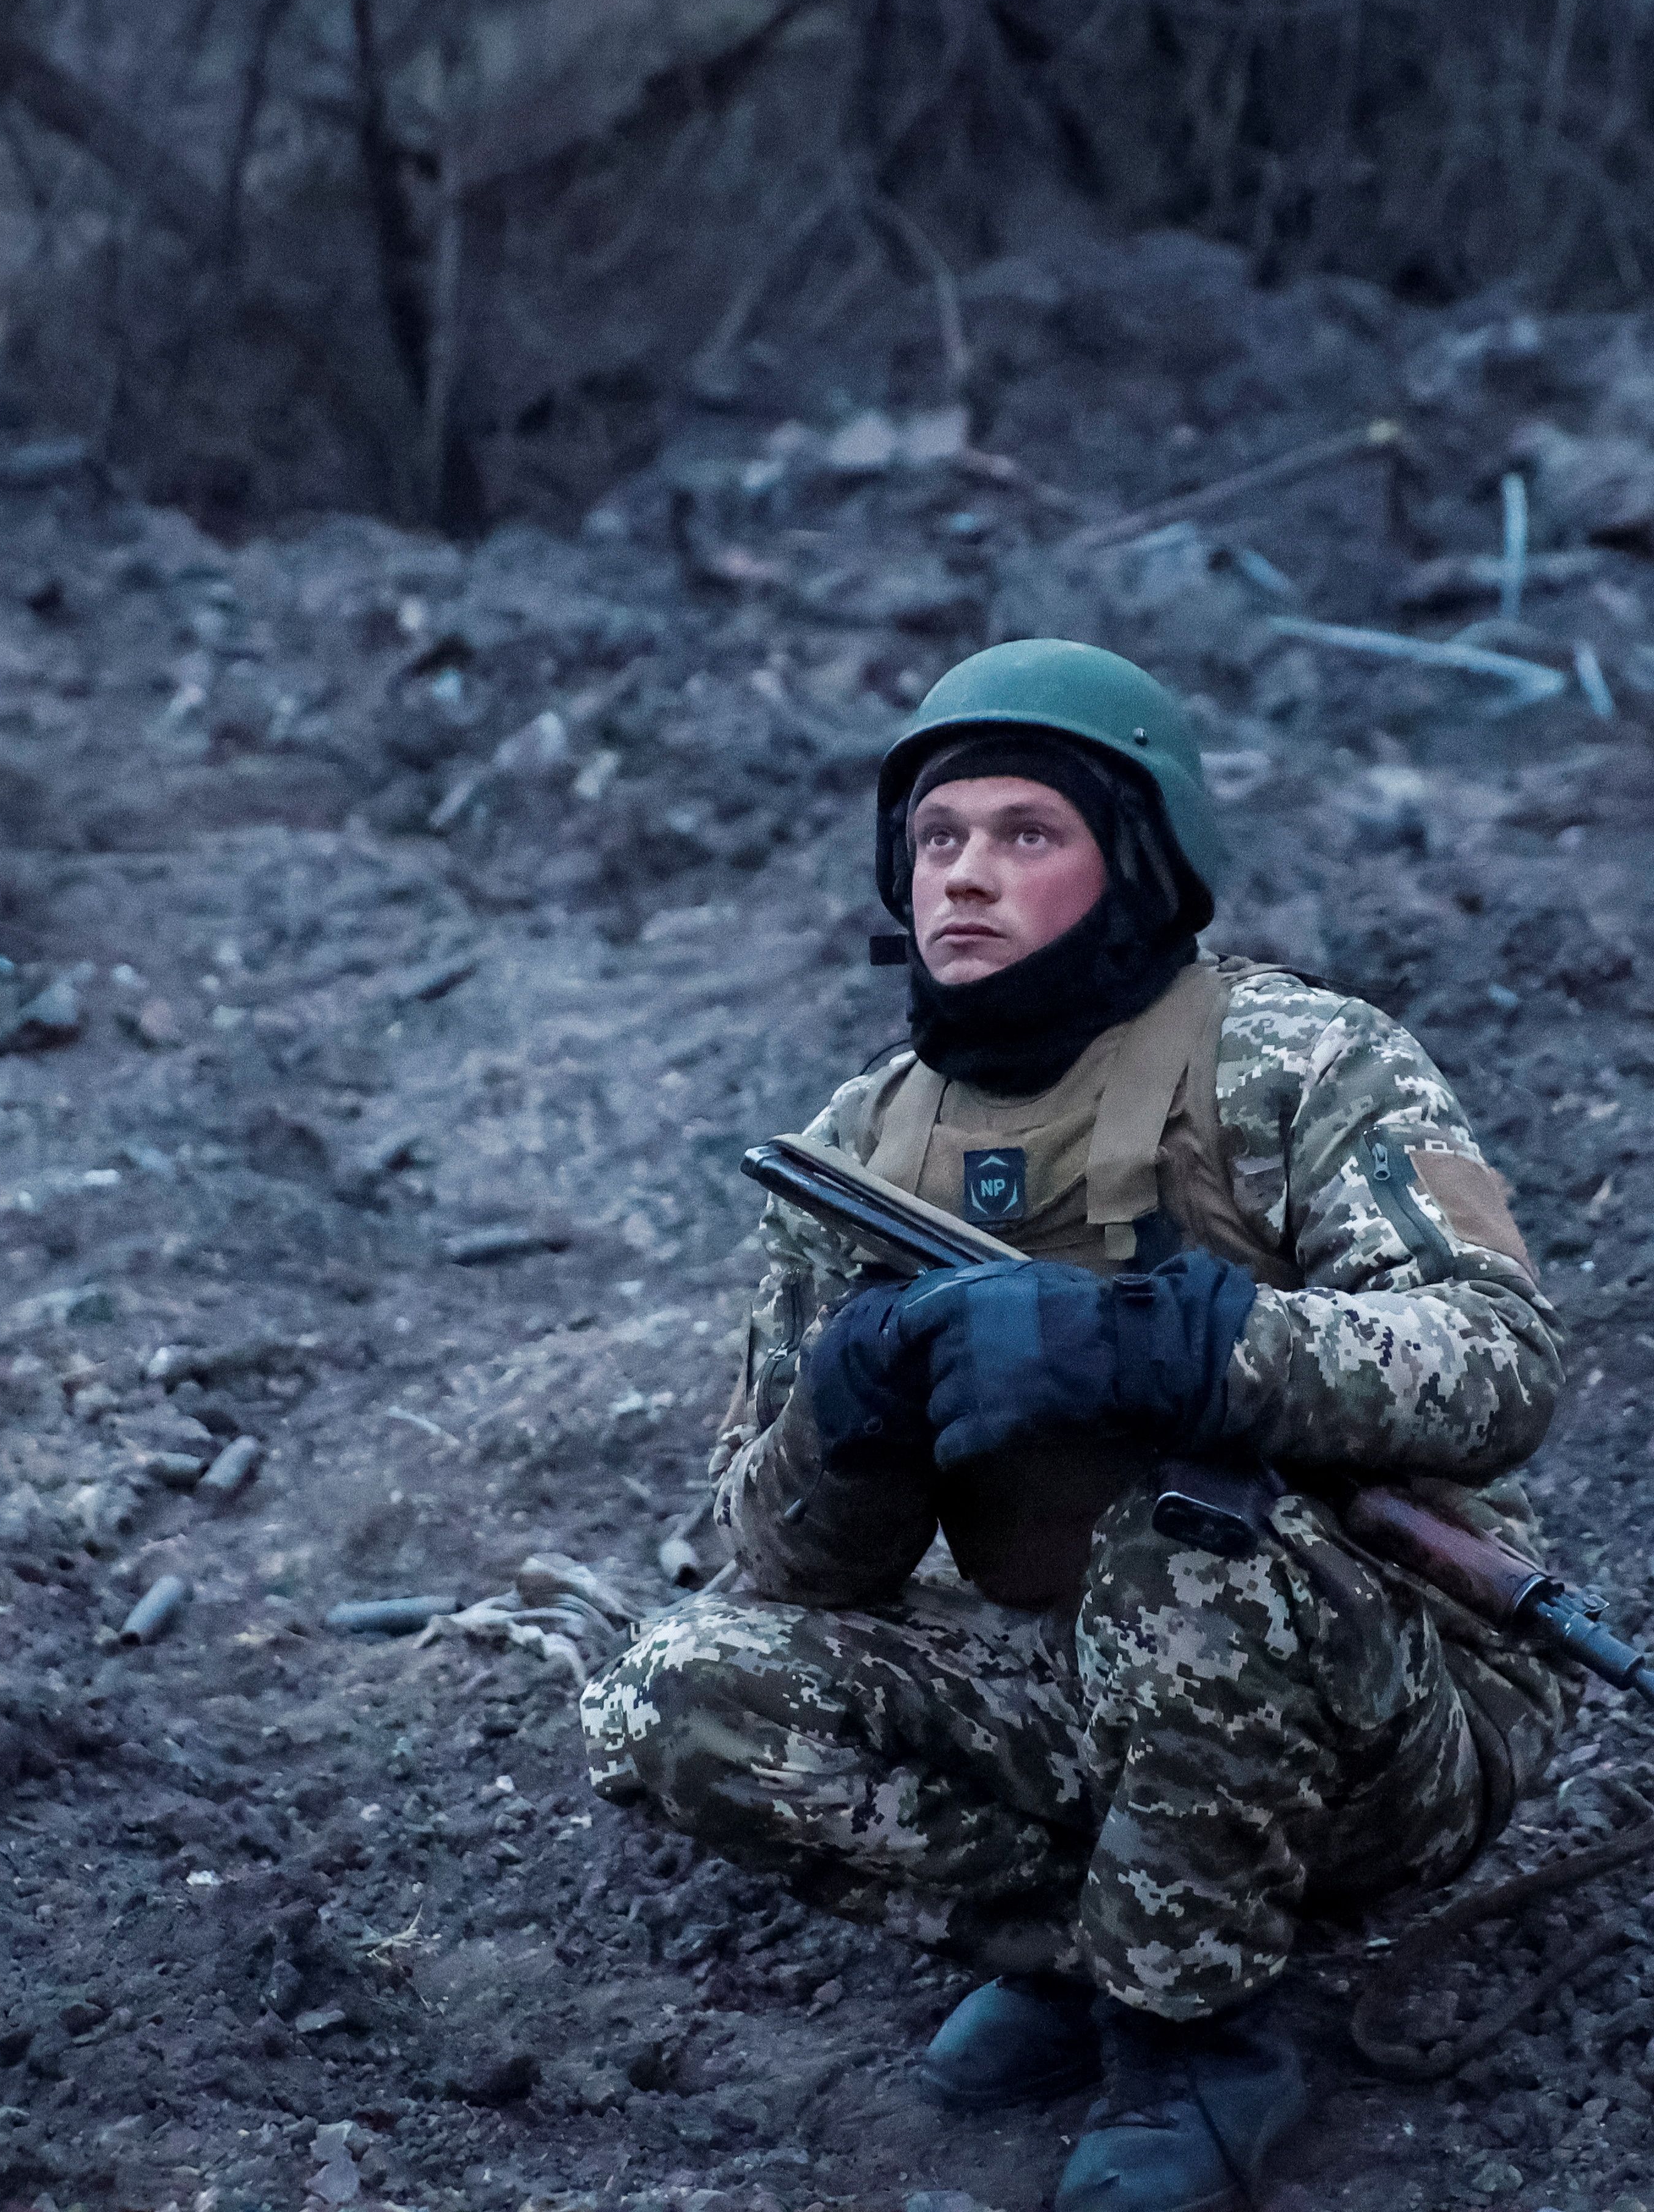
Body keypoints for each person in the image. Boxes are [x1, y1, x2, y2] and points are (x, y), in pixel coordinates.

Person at [583, 638, 1577, 2211]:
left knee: (1184, 1549)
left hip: (1392, 1687)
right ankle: (1118, 1933)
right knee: (669, 1692)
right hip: (1065, 1681)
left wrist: (1179, 1348)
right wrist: (852, 1416)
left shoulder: (1297, 1059)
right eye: (937, 839)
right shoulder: (858, 1146)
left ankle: (1200, 2038)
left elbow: (1496, 1363)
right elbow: (781, 1567)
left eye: (1026, 836)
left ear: (1135, 863)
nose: (965, 878)